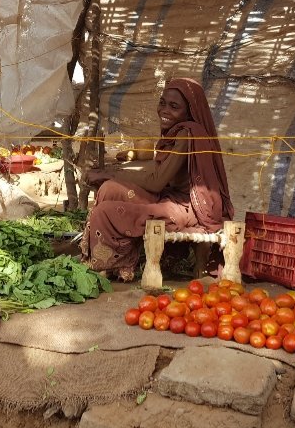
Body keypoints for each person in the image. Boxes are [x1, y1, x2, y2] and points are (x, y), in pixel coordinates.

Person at [80, 77, 234, 281]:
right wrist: (110, 178)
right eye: (162, 103)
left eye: (174, 106)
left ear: (190, 111)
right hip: (170, 197)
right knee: (109, 188)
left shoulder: (187, 134)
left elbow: (156, 182)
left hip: (188, 209)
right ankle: (107, 258)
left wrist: (109, 173)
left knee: (105, 211)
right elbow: (159, 179)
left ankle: (114, 264)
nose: (164, 110)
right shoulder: (176, 132)